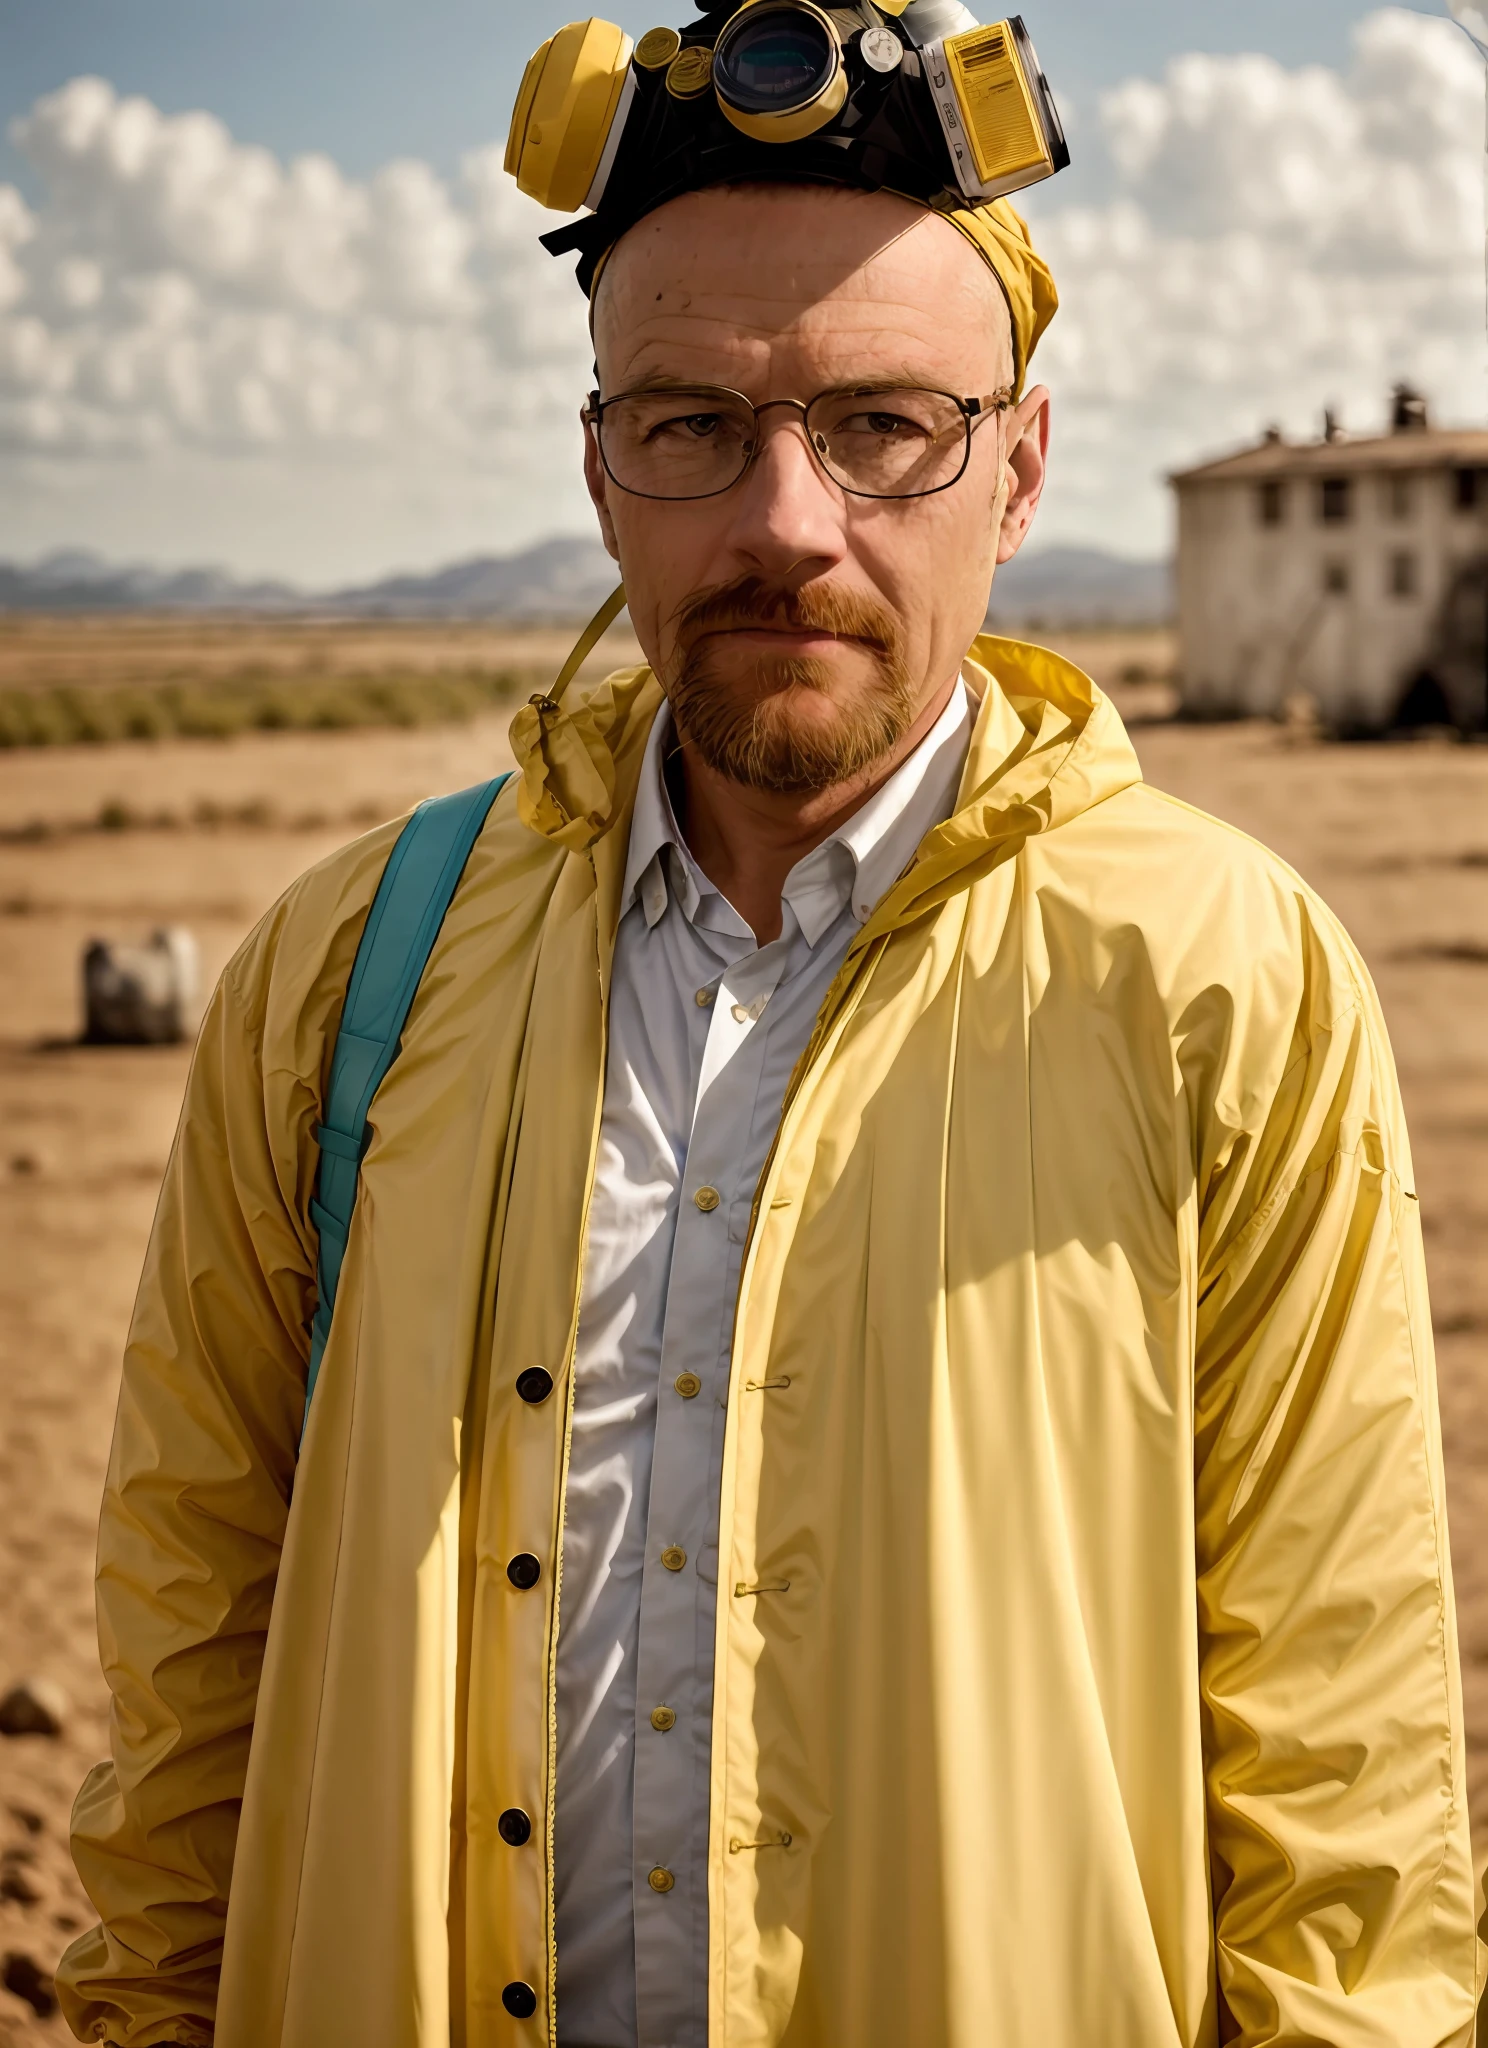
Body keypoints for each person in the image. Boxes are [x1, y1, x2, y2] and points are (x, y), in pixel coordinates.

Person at [58, 6, 1480, 2045]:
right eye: (694, 425)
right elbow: (194, 1673)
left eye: (886, 425)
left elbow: (1341, 1793)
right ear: (600, 467)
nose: (788, 523)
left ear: (1021, 465)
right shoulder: (342, 976)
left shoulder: (1226, 988)